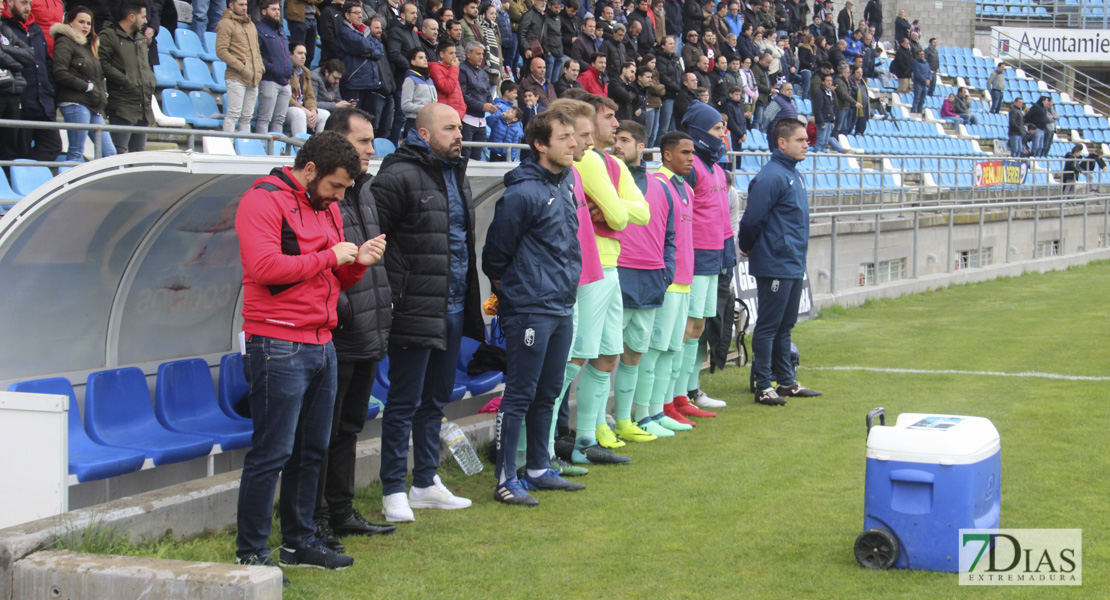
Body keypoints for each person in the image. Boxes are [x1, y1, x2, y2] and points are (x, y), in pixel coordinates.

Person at [234, 131, 385, 575]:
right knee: (272, 452)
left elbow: (338, 280)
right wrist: (330, 256)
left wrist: (358, 261)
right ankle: (251, 552)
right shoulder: (263, 200)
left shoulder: (328, 206)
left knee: (311, 449)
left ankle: (299, 544)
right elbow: (264, 268)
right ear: (310, 170)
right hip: (276, 342)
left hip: (321, 340)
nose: (340, 196)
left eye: (345, 189)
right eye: (336, 186)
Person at [371, 104, 483, 523]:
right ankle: (392, 490)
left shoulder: (457, 172)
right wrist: (393, 297)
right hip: (414, 307)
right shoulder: (398, 175)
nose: (459, 134)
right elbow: (374, 242)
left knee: (435, 400)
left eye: (459, 126)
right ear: (422, 133)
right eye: (449, 127)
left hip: (453, 305)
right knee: (403, 401)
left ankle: (425, 483)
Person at [483, 106, 586, 506]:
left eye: (573, 137)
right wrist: (517, 292)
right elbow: (495, 256)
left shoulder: (566, 182)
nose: (574, 144)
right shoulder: (522, 192)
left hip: (561, 303)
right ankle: (506, 478)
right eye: (564, 138)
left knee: (549, 391)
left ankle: (539, 468)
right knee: (521, 393)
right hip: (530, 306)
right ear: (541, 145)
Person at [313, 108, 397, 553]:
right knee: (323, 431)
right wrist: (345, 313)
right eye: (363, 142)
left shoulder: (364, 192)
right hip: (339, 331)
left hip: (368, 328)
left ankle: (341, 510)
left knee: (348, 426)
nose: (371, 149)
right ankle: (318, 517)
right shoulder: (324, 195)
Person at [561, 93, 650, 465]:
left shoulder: (612, 163)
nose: (616, 124)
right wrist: (616, 209)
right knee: (576, 357)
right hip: (590, 267)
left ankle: (586, 437)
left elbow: (639, 212)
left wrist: (615, 208)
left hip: (611, 266)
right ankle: (550, 442)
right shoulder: (589, 163)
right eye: (609, 117)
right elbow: (616, 216)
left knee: (609, 354)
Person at [738, 118, 822, 406]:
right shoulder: (771, 176)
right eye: (800, 140)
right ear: (782, 143)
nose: (806, 144)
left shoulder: (793, 174)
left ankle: (786, 382)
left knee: (785, 326)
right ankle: (763, 385)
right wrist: (746, 246)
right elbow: (751, 220)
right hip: (775, 262)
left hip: (792, 262)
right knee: (769, 326)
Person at [607, 119, 676, 442]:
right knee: (604, 354)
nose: (617, 145)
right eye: (615, 139)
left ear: (639, 146)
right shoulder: (604, 180)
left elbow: (670, 236)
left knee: (635, 352)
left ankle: (627, 420)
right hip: (616, 275)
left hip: (651, 279)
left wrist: (667, 273)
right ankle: (595, 426)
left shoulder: (662, 187)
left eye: (624, 140)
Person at [672, 101, 732, 416]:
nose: (723, 135)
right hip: (694, 259)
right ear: (698, 133)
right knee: (688, 326)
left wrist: (729, 255)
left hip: (715, 259)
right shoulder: (691, 169)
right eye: (717, 128)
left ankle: (691, 390)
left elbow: (723, 220)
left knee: (701, 327)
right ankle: (675, 395)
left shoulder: (718, 169)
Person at [51, 7, 116, 162]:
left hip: (93, 104)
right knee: (76, 152)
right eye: (81, 22)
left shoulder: (88, 45)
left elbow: (98, 75)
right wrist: (86, 86)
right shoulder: (64, 42)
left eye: (89, 23)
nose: (85, 26)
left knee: (110, 153)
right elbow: (59, 72)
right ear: (70, 22)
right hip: (75, 103)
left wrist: (102, 92)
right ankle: (68, 185)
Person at [98, 0, 154, 154]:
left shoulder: (140, 38)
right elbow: (102, 63)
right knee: (118, 152)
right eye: (142, 17)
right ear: (131, 17)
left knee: (139, 154)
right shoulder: (108, 36)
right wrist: (125, 80)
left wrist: (150, 81)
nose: (146, 21)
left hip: (143, 104)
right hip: (122, 104)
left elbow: (145, 65)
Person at [216, 0, 262, 133]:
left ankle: (244, 144)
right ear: (231, 5)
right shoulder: (225, 24)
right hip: (236, 77)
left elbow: (257, 50)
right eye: (240, 4)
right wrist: (242, 68)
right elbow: (221, 51)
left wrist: (260, 68)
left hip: (253, 77)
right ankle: (228, 146)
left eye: (246, 5)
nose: (244, 8)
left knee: (247, 117)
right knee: (233, 114)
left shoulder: (250, 24)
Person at [337, 2, 384, 116]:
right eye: (356, 13)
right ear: (347, 16)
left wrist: (368, 51)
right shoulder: (345, 32)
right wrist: (369, 49)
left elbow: (380, 52)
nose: (360, 16)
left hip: (370, 83)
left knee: (367, 120)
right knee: (351, 118)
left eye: (361, 13)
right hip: (354, 83)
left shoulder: (366, 31)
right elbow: (363, 46)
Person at [254, 0, 293, 134]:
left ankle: (276, 150)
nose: (277, 12)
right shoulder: (258, 29)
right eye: (273, 9)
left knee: (279, 120)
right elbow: (257, 55)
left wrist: (290, 68)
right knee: (265, 119)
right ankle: (263, 150)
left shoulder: (281, 30)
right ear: (264, 12)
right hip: (269, 80)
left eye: (278, 9)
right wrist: (272, 68)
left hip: (285, 81)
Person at [385, 3, 421, 144]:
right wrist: (411, 67)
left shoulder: (413, 33)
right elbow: (394, 54)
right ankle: (393, 147)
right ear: (402, 15)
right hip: (402, 81)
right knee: (400, 117)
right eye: (411, 13)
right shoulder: (396, 31)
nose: (415, 16)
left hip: (414, 80)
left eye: (416, 13)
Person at [458, 40, 494, 160]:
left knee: (477, 156)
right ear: (468, 54)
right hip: (467, 119)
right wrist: (482, 106)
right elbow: (463, 96)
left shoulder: (483, 73)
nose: (481, 57)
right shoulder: (462, 69)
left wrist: (492, 105)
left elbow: (488, 93)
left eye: (482, 54)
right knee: (465, 155)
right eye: (478, 54)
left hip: (481, 121)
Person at [286, 42, 328, 136]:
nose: (303, 57)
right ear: (290, 54)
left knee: (324, 115)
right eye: (299, 53)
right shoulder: (285, 70)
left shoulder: (305, 71)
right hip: (287, 109)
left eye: (304, 54)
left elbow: (310, 96)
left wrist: (312, 111)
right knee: (299, 113)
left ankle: (320, 146)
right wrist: (305, 110)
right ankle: (300, 148)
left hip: (303, 108)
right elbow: (287, 98)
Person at [400, 47, 437, 137]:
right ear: (412, 62)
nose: (425, 60)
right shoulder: (410, 79)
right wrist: (425, 109)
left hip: (428, 122)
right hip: (414, 122)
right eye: (420, 58)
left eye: (425, 57)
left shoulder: (429, 80)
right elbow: (405, 105)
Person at [812, 73, 842, 152]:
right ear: (823, 82)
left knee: (825, 142)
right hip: (823, 121)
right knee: (820, 141)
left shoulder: (830, 92)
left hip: (829, 120)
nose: (829, 82)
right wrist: (821, 122)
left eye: (830, 81)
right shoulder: (820, 92)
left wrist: (832, 120)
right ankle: (816, 158)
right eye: (827, 81)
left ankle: (822, 158)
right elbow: (818, 109)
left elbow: (830, 107)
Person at [285, 0, 318, 71]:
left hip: (313, 19)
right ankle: (293, 78)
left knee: (309, 55)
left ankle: (304, 78)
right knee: (297, 54)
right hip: (298, 19)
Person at [910, 49, 929, 114]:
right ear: (917, 55)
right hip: (918, 84)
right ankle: (914, 113)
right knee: (917, 99)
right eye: (920, 54)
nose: (922, 56)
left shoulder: (926, 63)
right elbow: (917, 74)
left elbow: (929, 72)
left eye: (923, 54)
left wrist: (929, 79)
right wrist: (924, 81)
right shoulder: (916, 63)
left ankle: (919, 113)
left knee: (922, 100)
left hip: (925, 84)